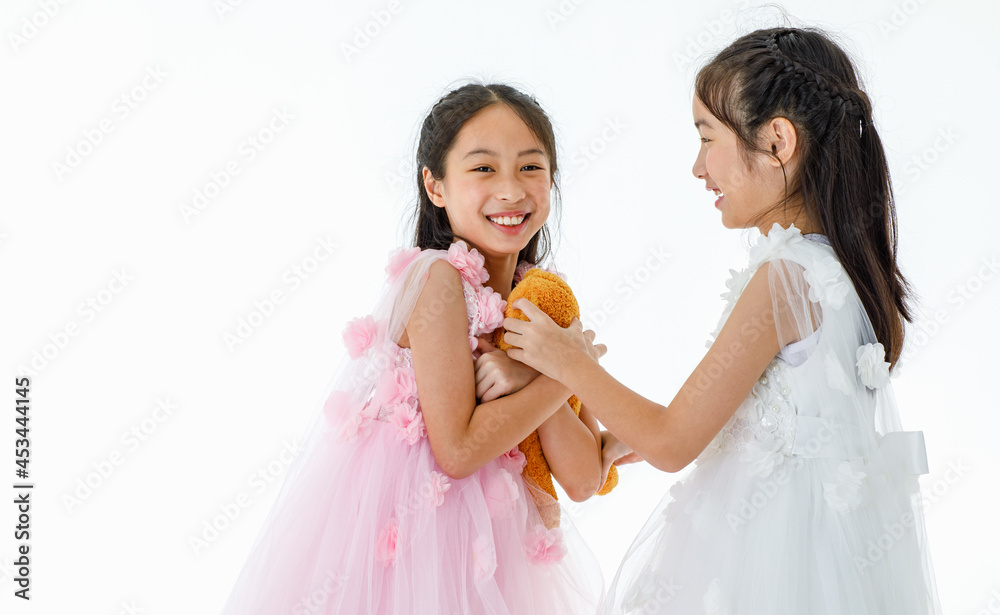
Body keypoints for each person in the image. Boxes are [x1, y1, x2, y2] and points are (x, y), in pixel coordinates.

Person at [502, 27, 942, 614]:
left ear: (777, 141)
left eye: (707, 137)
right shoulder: (839, 268)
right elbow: (777, 415)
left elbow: (671, 442)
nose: (697, 167)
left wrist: (567, 361)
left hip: (767, 555)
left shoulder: (784, 278)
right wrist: (626, 435)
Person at [218, 82, 605, 614]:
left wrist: (545, 370)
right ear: (435, 185)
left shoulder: (537, 301)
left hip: (493, 549)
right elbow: (458, 451)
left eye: (531, 167)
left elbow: (583, 479)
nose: (512, 190)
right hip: (416, 537)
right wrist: (567, 370)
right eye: (484, 168)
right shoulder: (437, 280)